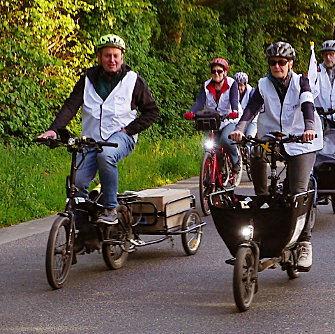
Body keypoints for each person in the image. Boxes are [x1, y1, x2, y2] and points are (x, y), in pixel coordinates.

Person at [37, 34, 160, 227]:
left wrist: (129, 129)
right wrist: (54, 129)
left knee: (107, 156)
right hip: (91, 140)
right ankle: (81, 229)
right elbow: (70, 106)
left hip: (121, 137)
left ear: (122, 57)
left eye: (116, 56)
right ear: (99, 57)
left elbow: (152, 112)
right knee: (76, 181)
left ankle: (110, 208)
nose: (112, 60)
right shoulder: (88, 79)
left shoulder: (132, 80)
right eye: (107, 56)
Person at [230, 41, 322, 271]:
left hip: (302, 140)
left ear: (290, 64)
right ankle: (263, 203)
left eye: (282, 62)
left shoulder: (301, 81)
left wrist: (309, 127)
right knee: (257, 157)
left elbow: (308, 105)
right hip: (271, 137)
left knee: (298, 189)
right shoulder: (262, 85)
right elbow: (251, 109)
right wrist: (240, 129)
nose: (277, 66)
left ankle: (305, 243)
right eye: (273, 63)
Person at [187, 58, 242, 176]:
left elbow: (234, 100)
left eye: (220, 71)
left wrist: (234, 111)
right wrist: (192, 112)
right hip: (212, 120)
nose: (216, 74)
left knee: (225, 140)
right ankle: (216, 169)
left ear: (225, 73)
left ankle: (235, 160)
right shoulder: (206, 86)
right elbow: (199, 102)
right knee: (209, 144)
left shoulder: (232, 84)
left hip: (229, 119)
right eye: (214, 71)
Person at [234, 72, 258, 138]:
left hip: (252, 121)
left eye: (241, 85)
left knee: (249, 139)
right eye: (237, 85)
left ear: (245, 85)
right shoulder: (233, 94)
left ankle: (250, 148)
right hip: (238, 121)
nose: (239, 88)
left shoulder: (252, 93)